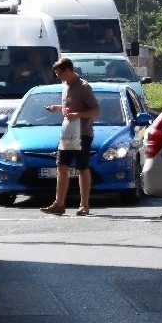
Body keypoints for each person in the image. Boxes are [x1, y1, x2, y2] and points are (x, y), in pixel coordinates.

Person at [41, 57, 100, 216]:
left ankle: (84, 205)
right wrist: (58, 108)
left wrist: (78, 115)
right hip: (67, 133)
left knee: (82, 168)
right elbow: (69, 106)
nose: (58, 76)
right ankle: (59, 203)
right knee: (61, 165)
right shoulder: (65, 85)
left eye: (60, 73)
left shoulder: (83, 87)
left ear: (68, 70)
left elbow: (95, 110)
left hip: (82, 133)